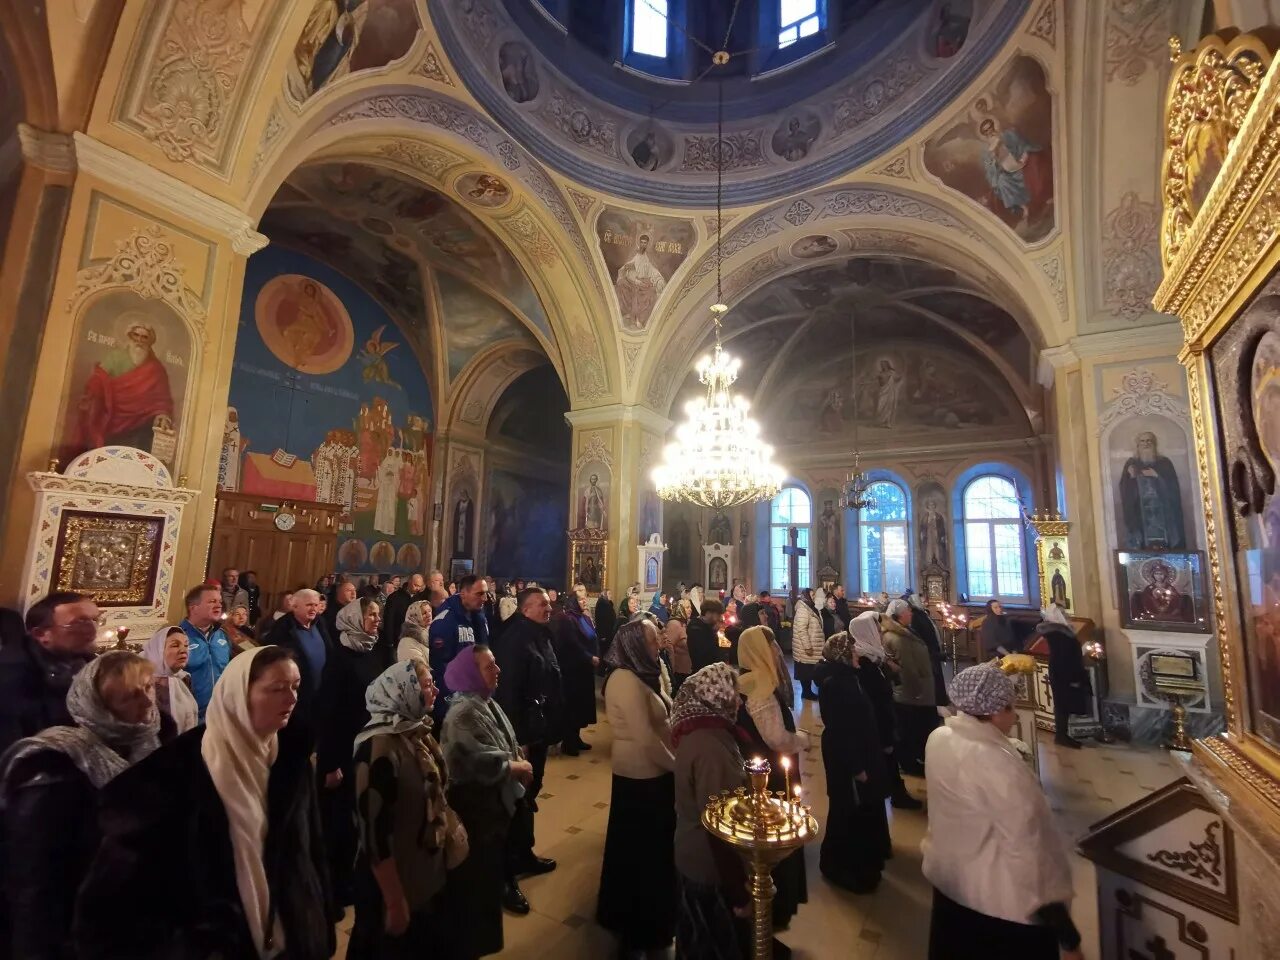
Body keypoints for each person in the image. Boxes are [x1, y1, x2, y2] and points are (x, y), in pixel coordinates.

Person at [74, 646, 335, 960]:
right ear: (239, 695)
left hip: (291, 937)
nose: (291, 699)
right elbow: (114, 902)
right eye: (276, 689)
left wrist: (320, 918)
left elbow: (310, 847)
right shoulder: (173, 774)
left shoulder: (291, 759)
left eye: (295, 687)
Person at [2, 652, 160, 960]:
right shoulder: (54, 766)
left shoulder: (151, 745)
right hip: (77, 930)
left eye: (149, 687)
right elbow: (34, 879)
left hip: (138, 921)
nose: (148, 702)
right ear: (99, 705)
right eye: (130, 696)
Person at [922, 664, 1082, 960]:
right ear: (995, 712)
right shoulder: (997, 763)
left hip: (950, 882)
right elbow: (1028, 848)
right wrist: (1065, 932)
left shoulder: (939, 739)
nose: (1016, 715)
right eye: (1012, 708)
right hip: (999, 903)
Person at [349, 660, 466, 958]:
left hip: (425, 874)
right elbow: (373, 834)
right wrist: (393, 901)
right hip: (396, 885)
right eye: (427, 685)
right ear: (403, 691)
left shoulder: (417, 730)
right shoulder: (379, 747)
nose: (436, 690)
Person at [440, 646, 535, 955]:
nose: (498, 671)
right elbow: (473, 760)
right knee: (477, 886)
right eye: (489, 666)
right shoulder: (462, 712)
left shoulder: (482, 700)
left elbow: (500, 739)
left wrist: (516, 754)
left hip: (491, 805)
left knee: (489, 876)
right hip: (475, 806)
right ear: (470, 673)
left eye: (495, 664)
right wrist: (513, 766)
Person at [597, 619, 676, 956]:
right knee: (639, 851)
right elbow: (645, 739)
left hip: (654, 771)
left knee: (650, 849)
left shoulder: (645, 673)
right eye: (650, 638)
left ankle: (653, 914)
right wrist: (679, 766)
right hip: (640, 775)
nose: (658, 641)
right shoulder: (625, 681)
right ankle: (637, 923)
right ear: (633, 644)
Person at [671, 663, 751, 960]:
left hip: (697, 855)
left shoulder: (708, 732)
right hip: (708, 865)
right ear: (715, 697)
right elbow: (719, 826)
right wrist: (738, 892)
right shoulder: (710, 747)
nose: (740, 701)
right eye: (734, 694)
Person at [490, 587, 562, 912]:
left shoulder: (541, 634)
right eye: (543, 604)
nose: (549, 608)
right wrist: (518, 741)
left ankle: (524, 854)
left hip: (540, 727)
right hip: (522, 733)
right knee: (513, 801)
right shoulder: (514, 638)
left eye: (549, 604)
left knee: (529, 796)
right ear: (526, 608)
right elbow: (509, 691)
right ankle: (504, 878)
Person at [736, 626, 808, 931]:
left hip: (758, 771)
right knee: (774, 833)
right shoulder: (759, 687)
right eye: (770, 645)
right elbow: (776, 738)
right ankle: (771, 904)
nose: (776, 650)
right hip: (770, 774)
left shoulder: (746, 680)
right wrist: (802, 739)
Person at [318, 597, 388, 909]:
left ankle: (354, 874)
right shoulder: (340, 657)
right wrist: (331, 763)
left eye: (377, 614)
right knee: (340, 822)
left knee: (362, 815)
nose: (376, 619)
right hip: (343, 748)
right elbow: (329, 713)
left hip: (369, 744)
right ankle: (333, 887)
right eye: (370, 614)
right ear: (353, 618)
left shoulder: (375, 649)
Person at [815, 633, 890, 893]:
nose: (857, 654)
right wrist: (857, 768)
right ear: (843, 655)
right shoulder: (835, 684)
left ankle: (858, 864)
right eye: (852, 651)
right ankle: (840, 866)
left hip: (856, 752)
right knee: (845, 810)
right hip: (845, 758)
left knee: (854, 811)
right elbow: (841, 730)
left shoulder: (848, 678)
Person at [0, 591, 99, 756]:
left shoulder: (87, 660)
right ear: (41, 634)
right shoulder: (11, 678)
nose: (92, 631)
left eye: (95, 620)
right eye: (78, 623)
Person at [849, 610, 920, 810]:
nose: (881, 633)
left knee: (887, 765)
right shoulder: (863, 662)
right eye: (877, 630)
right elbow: (873, 700)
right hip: (877, 727)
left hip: (884, 722)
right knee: (883, 767)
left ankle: (895, 792)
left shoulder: (874, 655)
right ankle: (895, 795)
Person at [263, 588, 332, 745]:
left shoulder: (320, 623)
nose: (313, 609)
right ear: (294, 606)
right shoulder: (282, 629)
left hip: (319, 698)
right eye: (308, 605)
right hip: (295, 701)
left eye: (315, 605)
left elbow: (330, 652)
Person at [882, 597, 939, 776]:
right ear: (899, 616)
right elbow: (907, 669)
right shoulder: (898, 638)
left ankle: (915, 758)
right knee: (909, 729)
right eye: (907, 610)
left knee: (915, 728)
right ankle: (909, 762)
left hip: (916, 690)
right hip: (910, 692)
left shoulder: (906, 632)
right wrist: (918, 691)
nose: (910, 613)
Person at [428, 575, 490, 723]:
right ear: (463, 593)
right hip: (454, 701)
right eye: (479, 594)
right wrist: (454, 701)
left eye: (486, 593)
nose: (485, 598)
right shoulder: (445, 621)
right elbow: (441, 667)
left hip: (475, 696)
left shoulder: (478, 618)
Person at [1036, 605, 1091, 750]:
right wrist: (1073, 676)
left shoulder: (1057, 632)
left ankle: (1063, 735)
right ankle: (1061, 736)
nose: (1065, 615)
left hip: (1061, 671)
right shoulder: (1059, 633)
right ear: (1056, 616)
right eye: (1062, 613)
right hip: (1064, 672)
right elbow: (1064, 656)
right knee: (1062, 705)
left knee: (1063, 704)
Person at [553, 588, 599, 755]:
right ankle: (568, 743)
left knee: (581, 707)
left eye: (584, 598)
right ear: (573, 601)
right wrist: (589, 657)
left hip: (584, 670)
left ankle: (576, 738)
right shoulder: (568, 620)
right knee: (572, 707)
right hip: (573, 670)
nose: (584, 601)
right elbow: (572, 644)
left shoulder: (584, 617)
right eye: (580, 599)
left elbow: (592, 637)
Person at [179, 584, 233, 720]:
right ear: (193, 608)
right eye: (212, 601)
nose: (219, 606)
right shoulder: (177, 637)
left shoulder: (222, 636)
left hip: (220, 714)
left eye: (220, 602)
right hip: (189, 717)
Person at [142, 626, 199, 734]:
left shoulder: (183, 679)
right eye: (175, 645)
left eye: (186, 645)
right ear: (157, 650)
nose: (184, 650)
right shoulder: (142, 685)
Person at [791, 588, 825, 701]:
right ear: (806, 596)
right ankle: (806, 692)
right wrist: (807, 646)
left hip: (814, 644)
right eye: (812, 594)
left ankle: (809, 691)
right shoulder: (803, 610)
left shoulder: (812, 608)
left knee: (811, 669)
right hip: (806, 647)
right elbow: (801, 629)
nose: (814, 596)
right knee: (805, 670)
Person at [383, 573, 428, 655]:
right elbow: (389, 619)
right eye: (415, 585)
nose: (417, 588)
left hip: (415, 641)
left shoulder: (420, 599)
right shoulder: (395, 597)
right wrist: (389, 641)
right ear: (409, 582)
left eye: (419, 586)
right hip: (397, 639)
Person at [686, 598, 726, 673]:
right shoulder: (696, 630)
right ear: (708, 613)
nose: (719, 617)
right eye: (718, 614)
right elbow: (706, 655)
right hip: (703, 674)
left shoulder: (706, 627)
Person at [666, 598, 693, 692]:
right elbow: (668, 646)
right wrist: (671, 669)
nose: (690, 609)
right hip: (679, 672)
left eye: (690, 607)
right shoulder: (674, 624)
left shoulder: (685, 623)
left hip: (687, 670)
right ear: (679, 609)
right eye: (687, 607)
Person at [397, 600, 433, 665]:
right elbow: (416, 669)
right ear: (414, 616)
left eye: (430, 611)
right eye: (424, 613)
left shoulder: (432, 632)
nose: (429, 615)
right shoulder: (407, 642)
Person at [594, 588, 617, 660]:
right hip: (605, 635)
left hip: (608, 633)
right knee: (604, 654)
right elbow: (602, 621)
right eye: (609, 593)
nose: (611, 595)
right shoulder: (602, 604)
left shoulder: (606, 603)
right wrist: (603, 635)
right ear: (604, 595)